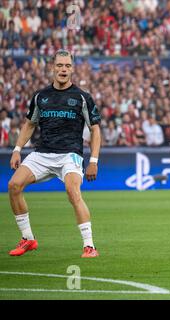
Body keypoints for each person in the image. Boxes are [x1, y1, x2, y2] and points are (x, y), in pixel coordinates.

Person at [8, 49, 101, 258]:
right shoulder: (40, 96)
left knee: (72, 191)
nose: (63, 69)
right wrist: (17, 150)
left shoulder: (82, 98)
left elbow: (95, 129)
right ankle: (28, 239)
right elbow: (29, 124)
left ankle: (89, 246)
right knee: (13, 186)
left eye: (67, 66)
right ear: (53, 68)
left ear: (72, 69)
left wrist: (93, 160)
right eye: (59, 65)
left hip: (70, 154)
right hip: (42, 153)